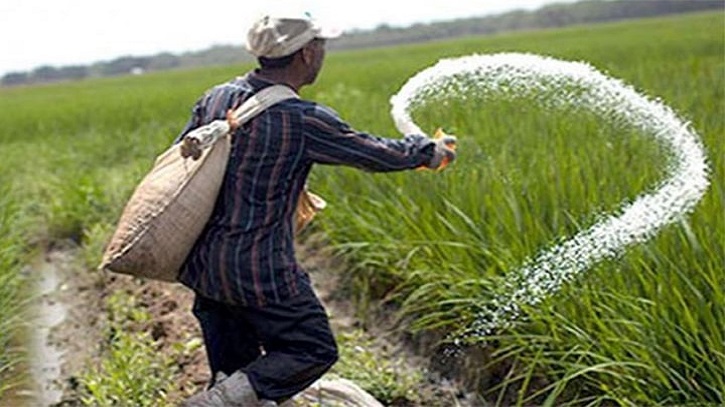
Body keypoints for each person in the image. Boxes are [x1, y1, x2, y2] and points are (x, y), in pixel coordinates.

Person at [179, 12, 457, 407]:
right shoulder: (300, 119)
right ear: (307, 54)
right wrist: (428, 152)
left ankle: (221, 397)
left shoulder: (216, 99)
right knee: (312, 348)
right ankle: (210, 404)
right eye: (321, 45)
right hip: (261, 271)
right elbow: (372, 153)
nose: (323, 53)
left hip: (206, 268)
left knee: (239, 376)